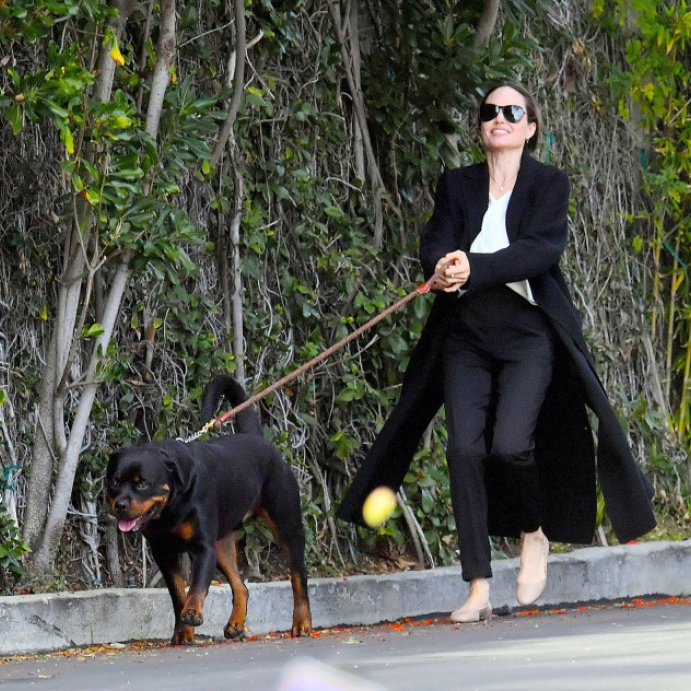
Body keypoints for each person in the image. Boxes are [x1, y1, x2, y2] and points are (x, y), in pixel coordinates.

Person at [336, 81, 656, 622]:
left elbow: (539, 251)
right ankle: (478, 587)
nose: (499, 118)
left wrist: (475, 267)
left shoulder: (549, 184)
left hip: (529, 334)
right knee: (463, 451)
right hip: (465, 334)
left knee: (510, 446)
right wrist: (442, 267)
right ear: (481, 126)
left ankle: (534, 532)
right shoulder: (456, 184)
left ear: (530, 128)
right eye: (490, 111)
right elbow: (435, 241)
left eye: (512, 111)